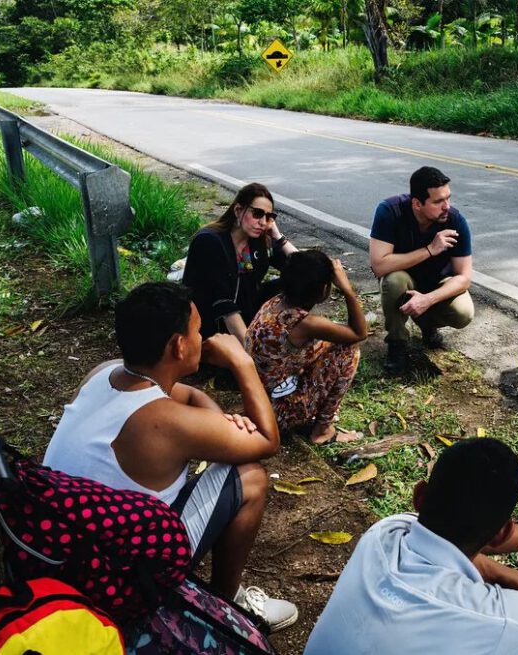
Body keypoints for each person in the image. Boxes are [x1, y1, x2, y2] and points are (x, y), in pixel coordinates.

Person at [42, 282, 298, 632]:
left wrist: (216, 425)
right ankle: (224, 607)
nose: (204, 337)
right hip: (121, 576)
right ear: (178, 346)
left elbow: (188, 396)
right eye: (197, 331)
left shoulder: (106, 372)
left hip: (67, 549)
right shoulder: (163, 421)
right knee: (250, 476)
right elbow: (269, 441)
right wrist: (243, 363)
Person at [304, 438, 518, 655]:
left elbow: (453, 537)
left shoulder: (385, 533)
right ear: (501, 532)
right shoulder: (498, 617)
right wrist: (509, 578)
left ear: (419, 496)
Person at [245, 250, 366, 445]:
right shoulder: (304, 323)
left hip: (255, 400)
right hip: (275, 413)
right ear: (324, 290)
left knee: (328, 345)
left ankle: (312, 414)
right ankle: (321, 430)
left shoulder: (275, 303)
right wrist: (347, 290)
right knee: (349, 350)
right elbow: (359, 333)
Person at [369, 166, 474, 373]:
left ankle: (427, 325)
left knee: (464, 313)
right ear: (417, 204)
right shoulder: (390, 212)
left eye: (448, 198)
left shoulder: (455, 221)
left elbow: (464, 277)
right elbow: (378, 265)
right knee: (393, 280)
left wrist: (428, 299)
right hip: (404, 283)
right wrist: (430, 250)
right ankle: (397, 343)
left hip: (436, 284)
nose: (446, 206)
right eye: (438, 202)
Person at [182, 183, 296, 343]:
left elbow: (305, 269)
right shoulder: (210, 241)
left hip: (247, 311)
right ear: (238, 210)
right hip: (211, 324)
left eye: (269, 217)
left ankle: (285, 338)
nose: (263, 222)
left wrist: (278, 237)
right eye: (257, 214)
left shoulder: (259, 241)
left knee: (299, 282)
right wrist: (249, 351)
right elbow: (224, 304)